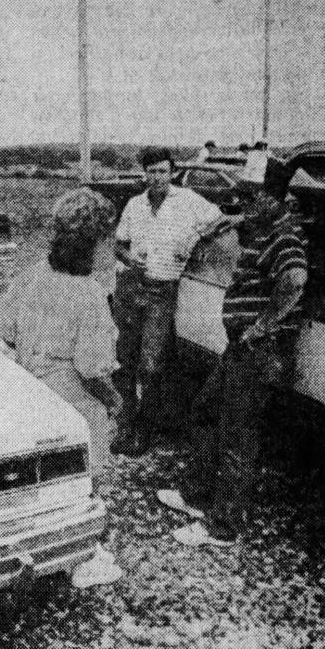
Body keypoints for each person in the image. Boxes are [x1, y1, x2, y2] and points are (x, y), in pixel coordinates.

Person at [160, 159, 308, 546]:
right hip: (240, 349)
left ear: (273, 199)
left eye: (251, 196)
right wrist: (230, 219)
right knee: (207, 410)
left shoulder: (284, 237)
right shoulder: (262, 228)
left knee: (237, 436)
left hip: (257, 350)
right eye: (240, 194)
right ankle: (195, 495)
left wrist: (262, 326)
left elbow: (294, 280)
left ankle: (223, 526)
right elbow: (241, 222)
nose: (243, 202)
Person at [0, 188, 121, 468]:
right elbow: (92, 371)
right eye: (108, 238)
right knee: (80, 483)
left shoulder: (35, 272)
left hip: (31, 398)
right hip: (74, 409)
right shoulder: (91, 294)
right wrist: (114, 401)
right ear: (94, 242)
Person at [110, 147, 232, 456]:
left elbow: (224, 220)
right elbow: (119, 245)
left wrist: (193, 239)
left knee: (151, 365)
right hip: (130, 287)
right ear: (145, 174)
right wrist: (129, 257)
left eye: (163, 171)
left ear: (172, 173)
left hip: (162, 292)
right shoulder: (135, 204)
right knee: (124, 361)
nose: (157, 177)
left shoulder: (188, 201)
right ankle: (126, 423)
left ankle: (143, 430)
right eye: (151, 172)